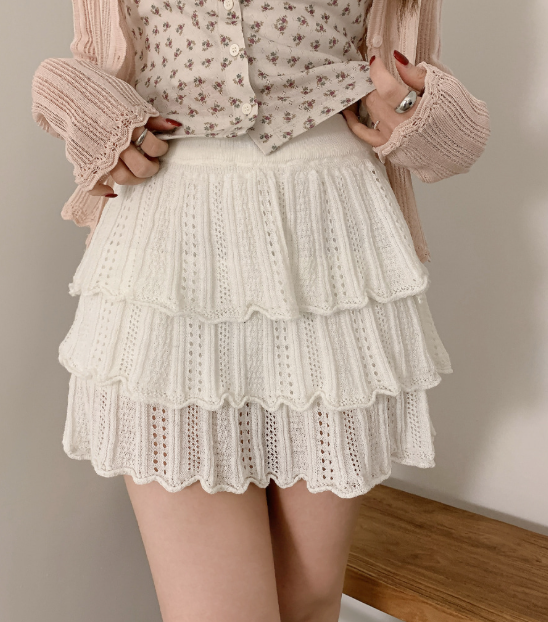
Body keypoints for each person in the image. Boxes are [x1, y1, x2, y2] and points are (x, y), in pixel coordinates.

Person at [31, 0, 490, 619]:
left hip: (331, 249)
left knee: (308, 602)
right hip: (171, 253)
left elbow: (451, 143)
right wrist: (69, 95)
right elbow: (92, 64)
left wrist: (417, 107)